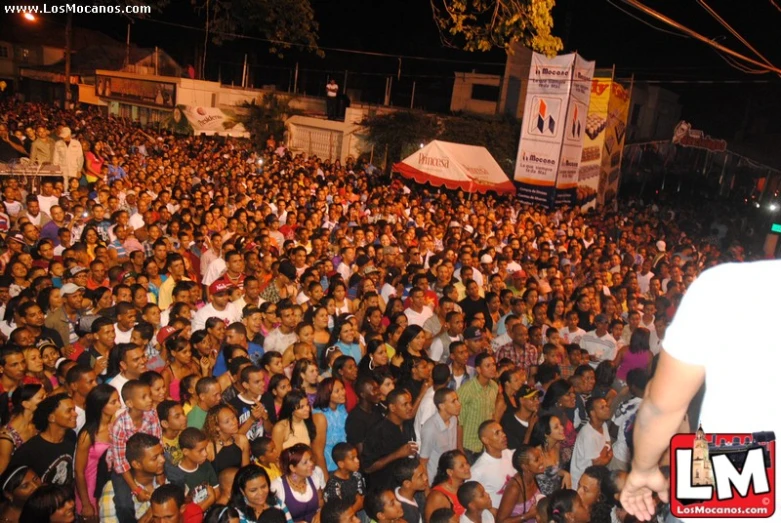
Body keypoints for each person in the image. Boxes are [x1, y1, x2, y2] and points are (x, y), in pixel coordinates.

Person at [8, 393, 77, 487]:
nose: (75, 414)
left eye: (74, 410)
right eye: (69, 411)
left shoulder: (71, 436)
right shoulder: (30, 450)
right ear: (51, 418)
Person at [74, 384, 121, 518]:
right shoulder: (87, 435)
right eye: (113, 402)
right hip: (90, 486)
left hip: (109, 483)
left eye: (118, 400)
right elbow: (79, 471)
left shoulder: (116, 426)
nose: (119, 405)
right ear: (101, 406)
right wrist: (86, 503)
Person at [99, 433, 166, 522]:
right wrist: (149, 514)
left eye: (162, 454)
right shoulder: (113, 491)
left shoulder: (168, 479)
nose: (163, 460)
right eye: (155, 458)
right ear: (137, 464)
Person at [165, 427, 218, 513]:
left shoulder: (206, 465)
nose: (205, 453)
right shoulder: (176, 477)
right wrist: (210, 500)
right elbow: (185, 513)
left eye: (205, 448)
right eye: (200, 450)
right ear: (185, 451)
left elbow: (217, 492)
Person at [270, 443, 323, 523]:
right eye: (305, 462)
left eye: (310, 459)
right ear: (292, 468)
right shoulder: (277, 487)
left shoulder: (314, 475)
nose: (311, 464)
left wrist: (319, 514)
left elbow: (321, 502)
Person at [0, 384, 45, 477]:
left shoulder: (39, 423)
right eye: (41, 398)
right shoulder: (7, 437)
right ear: (26, 404)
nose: (46, 400)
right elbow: (2, 471)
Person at [469, 421, 514, 510]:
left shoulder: (510, 455)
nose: (503, 435)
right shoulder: (478, 470)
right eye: (497, 433)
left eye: (502, 431)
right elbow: (470, 501)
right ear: (485, 440)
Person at [419, 387, 460, 482]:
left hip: (450, 477)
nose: (458, 404)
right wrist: (427, 491)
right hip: (435, 480)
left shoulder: (453, 419)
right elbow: (423, 462)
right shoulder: (430, 429)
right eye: (453, 401)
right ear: (442, 406)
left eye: (457, 400)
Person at [496, 445, 544, 523]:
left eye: (541, 456)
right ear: (525, 467)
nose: (542, 461)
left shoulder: (534, 476)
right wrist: (528, 515)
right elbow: (500, 521)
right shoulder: (514, 488)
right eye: (537, 460)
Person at [424, 450, 471, 521]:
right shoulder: (437, 497)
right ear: (450, 472)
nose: (467, 467)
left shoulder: (464, 488)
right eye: (462, 466)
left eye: (467, 463)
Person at [322, 443, 365, 512]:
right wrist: (356, 506)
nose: (357, 461)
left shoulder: (356, 474)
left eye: (357, 457)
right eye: (353, 458)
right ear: (341, 464)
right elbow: (340, 515)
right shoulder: (333, 485)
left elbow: (362, 497)